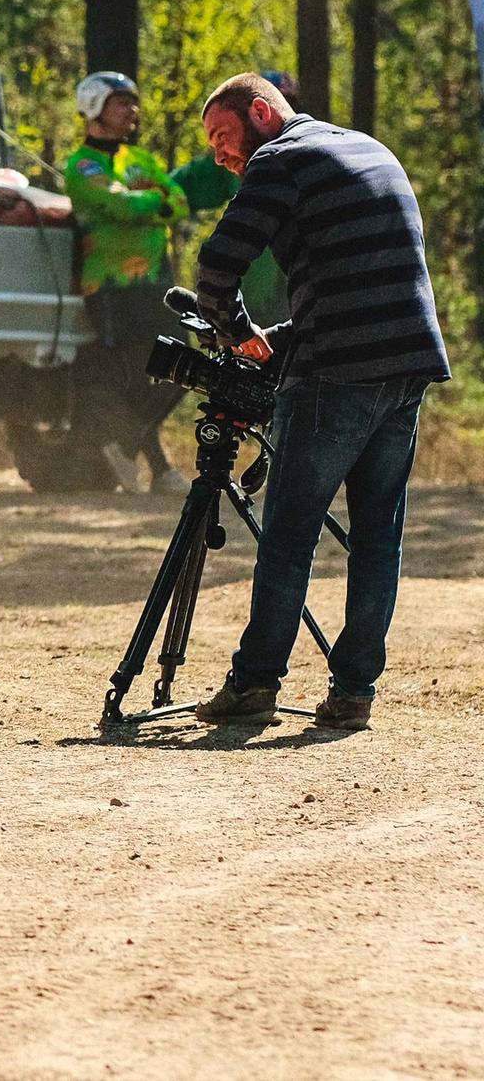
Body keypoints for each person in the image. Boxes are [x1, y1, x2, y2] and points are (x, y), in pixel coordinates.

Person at [189, 74, 449, 730]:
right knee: (377, 536)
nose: (222, 155)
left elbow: (217, 265)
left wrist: (236, 332)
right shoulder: (365, 148)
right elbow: (354, 279)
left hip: (337, 372)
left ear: (260, 112)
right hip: (407, 363)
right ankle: (354, 691)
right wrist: (274, 341)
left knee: (290, 530)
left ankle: (254, 683)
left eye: (223, 136)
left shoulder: (279, 158)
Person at [62, 71, 193, 494]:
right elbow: (118, 205)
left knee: (180, 367)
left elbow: (178, 202)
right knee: (139, 375)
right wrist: (150, 202)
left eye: (133, 102)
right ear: (94, 108)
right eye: (122, 102)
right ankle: (160, 470)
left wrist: (145, 203)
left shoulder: (144, 160)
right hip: (111, 287)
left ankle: (125, 447)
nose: (132, 110)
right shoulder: (83, 165)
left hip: (156, 283)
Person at [169, 67, 296, 327]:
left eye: (289, 102)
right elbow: (187, 184)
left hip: (295, 297)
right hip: (252, 292)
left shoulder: (309, 155)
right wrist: (150, 195)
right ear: (259, 111)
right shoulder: (237, 157)